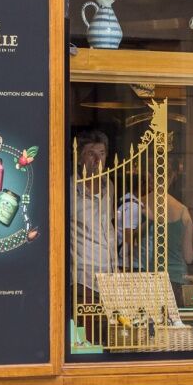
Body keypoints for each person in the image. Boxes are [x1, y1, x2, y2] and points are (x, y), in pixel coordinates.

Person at [70, 129, 116, 307]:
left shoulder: (109, 185)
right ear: (80, 157)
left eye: (102, 154)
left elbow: (109, 226)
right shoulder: (70, 189)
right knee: (89, 330)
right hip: (84, 277)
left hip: (109, 274)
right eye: (91, 154)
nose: (97, 160)